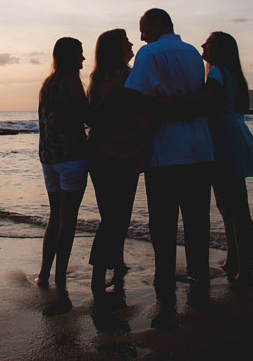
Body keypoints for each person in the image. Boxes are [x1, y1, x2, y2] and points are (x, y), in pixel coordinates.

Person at [124, 9, 214, 306]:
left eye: (143, 29)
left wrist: (161, 107)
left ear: (157, 25)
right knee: (197, 219)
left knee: (163, 222)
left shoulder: (150, 54)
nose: (140, 37)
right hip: (200, 149)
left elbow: (135, 99)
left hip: (165, 150)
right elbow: (199, 99)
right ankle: (199, 275)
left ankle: (164, 278)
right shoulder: (191, 53)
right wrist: (184, 105)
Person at [86, 29, 152, 304]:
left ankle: (115, 263)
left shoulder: (100, 77)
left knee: (114, 215)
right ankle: (100, 272)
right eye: (126, 42)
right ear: (117, 48)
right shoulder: (121, 77)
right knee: (117, 216)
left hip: (107, 154)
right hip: (118, 154)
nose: (132, 43)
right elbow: (102, 116)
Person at [201, 31, 253, 291]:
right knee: (229, 208)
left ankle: (244, 271)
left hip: (226, 142)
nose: (203, 44)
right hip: (237, 137)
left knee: (235, 210)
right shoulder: (232, 73)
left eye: (209, 42)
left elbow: (205, 106)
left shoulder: (215, 72)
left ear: (220, 49)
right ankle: (233, 260)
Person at [36, 36, 88, 315]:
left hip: (49, 159)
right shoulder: (71, 81)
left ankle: (44, 274)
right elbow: (87, 116)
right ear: (70, 57)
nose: (83, 59)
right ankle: (60, 279)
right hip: (72, 158)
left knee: (54, 216)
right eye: (79, 54)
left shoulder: (48, 84)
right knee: (68, 220)